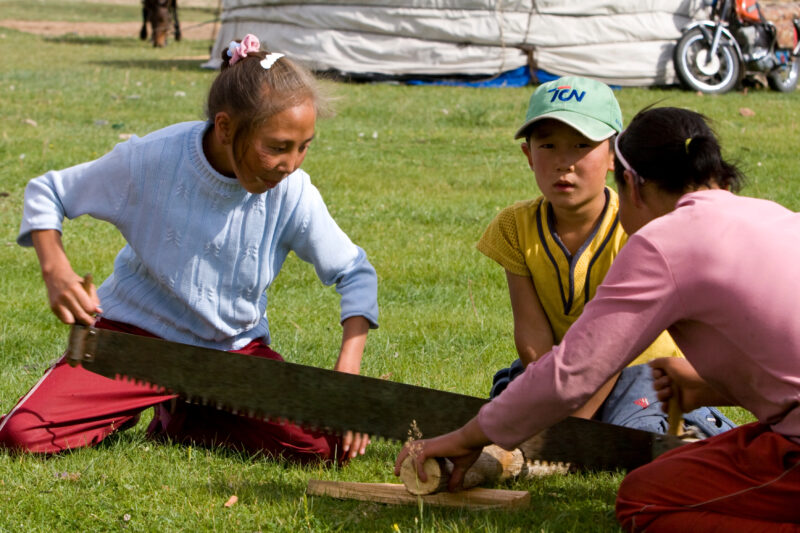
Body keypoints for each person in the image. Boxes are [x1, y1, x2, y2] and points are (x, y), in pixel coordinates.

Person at [395, 106, 800, 531]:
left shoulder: (663, 240)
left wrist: (466, 438)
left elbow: (572, 373)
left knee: (645, 501)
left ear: (630, 183)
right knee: (679, 466)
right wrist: (712, 386)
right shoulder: (775, 215)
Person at [1, 34, 378, 465]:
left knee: (326, 446)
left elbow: (356, 273)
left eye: (303, 147)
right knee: (22, 436)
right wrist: (57, 272)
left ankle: (185, 415)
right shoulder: (152, 159)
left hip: (231, 352)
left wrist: (348, 378)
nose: (290, 164)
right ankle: (123, 404)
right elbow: (48, 192)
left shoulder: (292, 190)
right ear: (225, 127)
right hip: (133, 341)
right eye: (276, 147)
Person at [479, 76, 731, 437]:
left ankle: (690, 436)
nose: (564, 163)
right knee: (512, 387)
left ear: (613, 155)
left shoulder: (636, 227)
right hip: (563, 371)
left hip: (641, 369)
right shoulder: (513, 226)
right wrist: (550, 400)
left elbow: (615, 348)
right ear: (527, 155)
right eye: (547, 145)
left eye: (582, 145)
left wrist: (569, 429)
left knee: (636, 425)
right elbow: (533, 336)